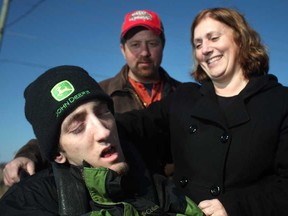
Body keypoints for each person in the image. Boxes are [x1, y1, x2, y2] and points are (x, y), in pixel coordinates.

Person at [114, 7, 288, 216]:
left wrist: (235, 206)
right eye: (198, 44)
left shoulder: (279, 101)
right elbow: (136, 125)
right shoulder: (184, 97)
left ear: (241, 39)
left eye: (213, 38)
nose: (205, 49)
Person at [3, 9, 178, 185]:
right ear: (122, 49)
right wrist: (27, 155)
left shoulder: (185, 95)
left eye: (152, 43)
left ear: (163, 45)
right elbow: (56, 134)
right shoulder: (98, 94)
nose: (144, 52)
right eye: (135, 45)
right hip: (131, 191)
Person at [0, 65, 203, 216]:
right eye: (78, 127)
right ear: (57, 154)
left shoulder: (151, 182)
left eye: (103, 112)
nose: (102, 132)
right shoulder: (27, 201)